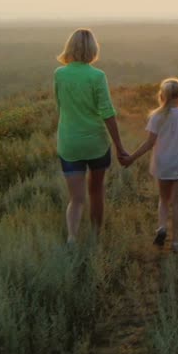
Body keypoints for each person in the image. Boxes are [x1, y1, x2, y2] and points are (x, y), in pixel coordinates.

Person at [53, 28, 127, 243]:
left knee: (76, 200)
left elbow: (59, 105)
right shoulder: (97, 76)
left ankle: (72, 238)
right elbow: (107, 112)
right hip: (96, 143)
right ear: (93, 49)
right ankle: (95, 237)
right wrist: (119, 146)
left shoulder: (59, 74)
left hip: (69, 143)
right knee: (96, 193)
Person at [122, 78, 178, 253]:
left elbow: (148, 144)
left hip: (163, 164)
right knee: (177, 202)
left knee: (163, 199)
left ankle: (162, 227)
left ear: (162, 96)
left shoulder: (156, 116)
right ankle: (176, 242)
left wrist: (131, 157)